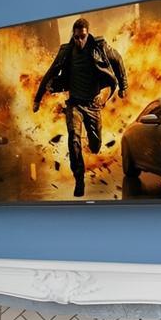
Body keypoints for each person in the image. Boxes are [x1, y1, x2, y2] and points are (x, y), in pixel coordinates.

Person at [33, 17, 127, 197]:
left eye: (82, 37)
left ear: (87, 34)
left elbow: (118, 60)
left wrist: (123, 86)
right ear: (73, 35)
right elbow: (50, 73)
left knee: (95, 146)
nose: (79, 41)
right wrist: (38, 99)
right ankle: (79, 179)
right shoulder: (66, 51)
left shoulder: (99, 47)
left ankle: (91, 144)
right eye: (76, 37)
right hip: (74, 104)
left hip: (93, 106)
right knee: (74, 138)